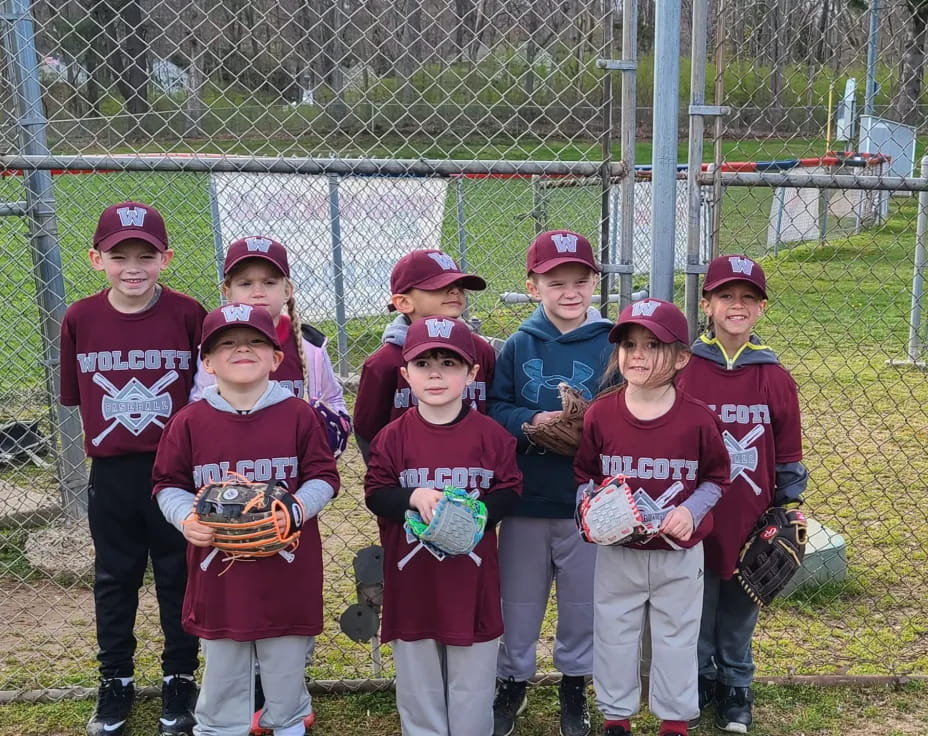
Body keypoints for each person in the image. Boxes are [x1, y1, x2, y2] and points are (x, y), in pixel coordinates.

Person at [152, 302, 339, 736]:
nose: (242, 349)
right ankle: (219, 728)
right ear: (207, 362)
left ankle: (289, 723)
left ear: (276, 358)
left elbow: (324, 476)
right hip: (218, 572)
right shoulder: (190, 422)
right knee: (223, 670)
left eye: (256, 341)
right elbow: (167, 484)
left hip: (287, 570)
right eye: (227, 343)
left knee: (286, 666)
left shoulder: (298, 414)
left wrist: (296, 508)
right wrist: (186, 520)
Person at [59, 201, 205, 736]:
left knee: (177, 574)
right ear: (96, 259)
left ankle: (179, 678)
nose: (134, 267)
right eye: (120, 256)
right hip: (114, 473)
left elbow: (205, 393)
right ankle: (115, 681)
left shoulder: (189, 314)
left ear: (166, 257)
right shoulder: (79, 317)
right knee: (115, 578)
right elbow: (78, 400)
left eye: (146, 255)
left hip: (175, 470)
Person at [574, 298, 731, 736]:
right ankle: (616, 718)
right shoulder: (601, 413)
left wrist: (690, 510)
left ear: (682, 357)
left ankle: (675, 721)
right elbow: (585, 475)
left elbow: (717, 479)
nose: (637, 354)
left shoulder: (697, 419)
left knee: (677, 636)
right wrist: (592, 508)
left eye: (651, 345)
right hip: (618, 551)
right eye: (628, 344)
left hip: (678, 553)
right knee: (613, 632)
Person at [364, 316, 522, 736]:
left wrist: (474, 514)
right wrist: (414, 497)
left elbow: (509, 491)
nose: (435, 374)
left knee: (472, 684)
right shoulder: (391, 438)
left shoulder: (492, 437)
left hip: (471, 580)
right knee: (419, 686)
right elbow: (376, 493)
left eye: (449, 363)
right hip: (412, 581)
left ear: (472, 374)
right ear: (405, 374)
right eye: (423, 364)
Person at [487, 231, 613, 736]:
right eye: (554, 281)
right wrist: (533, 421)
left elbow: (625, 406)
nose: (569, 291)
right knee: (518, 600)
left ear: (594, 284)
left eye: (580, 281)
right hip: (525, 497)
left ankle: (574, 684)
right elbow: (495, 408)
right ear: (532, 286)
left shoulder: (609, 341)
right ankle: (513, 680)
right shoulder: (519, 344)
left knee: (582, 602)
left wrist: (592, 425)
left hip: (584, 500)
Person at [676, 255, 807, 733]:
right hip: (696, 512)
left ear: (762, 308)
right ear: (706, 304)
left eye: (747, 298)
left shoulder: (772, 376)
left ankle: (737, 689)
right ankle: (700, 680)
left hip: (751, 514)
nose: (737, 305)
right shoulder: (686, 369)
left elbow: (788, 449)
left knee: (739, 605)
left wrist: (789, 507)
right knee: (697, 603)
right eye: (726, 296)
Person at [190, 236, 350, 458]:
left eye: (269, 282)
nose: (258, 292)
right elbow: (200, 403)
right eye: (245, 283)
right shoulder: (217, 346)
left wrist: (329, 428)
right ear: (227, 292)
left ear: (287, 290)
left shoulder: (309, 345)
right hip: (234, 461)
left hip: (294, 460)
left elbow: (332, 399)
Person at [353, 249, 496, 463]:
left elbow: (494, 414)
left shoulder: (480, 350)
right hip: (410, 478)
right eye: (439, 287)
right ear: (403, 303)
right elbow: (368, 429)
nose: (455, 292)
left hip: (473, 472)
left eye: (459, 286)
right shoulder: (385, 361)